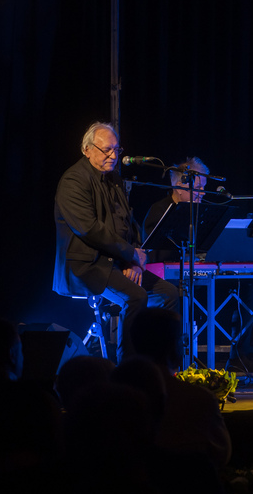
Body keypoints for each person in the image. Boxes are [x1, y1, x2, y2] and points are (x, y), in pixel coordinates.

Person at [53, 121, 180, 363]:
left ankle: (159, 362)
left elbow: (128, 222)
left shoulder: (114, 179)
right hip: (88, 265)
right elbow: (89, 229)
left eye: (116, 149)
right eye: (107, 150)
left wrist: (135, 258)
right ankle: (128, 366)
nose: (113, 156)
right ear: (87, 149)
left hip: (115, 260)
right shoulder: (74, 180)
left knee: (169, 293)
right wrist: (129, 255)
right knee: (135, 296)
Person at [143, 156, 210, 245]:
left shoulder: (199, 211)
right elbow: (156, 248)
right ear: (179, 188)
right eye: (198, 187)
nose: (203, 193)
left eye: (203, 187)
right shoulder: (159, 211)